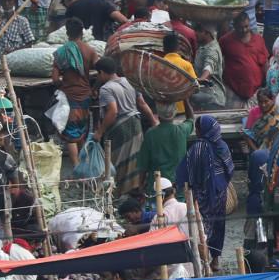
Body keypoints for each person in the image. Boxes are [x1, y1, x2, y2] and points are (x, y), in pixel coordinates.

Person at [175, 115, 234, 270]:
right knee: (218, 225)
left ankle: (203, 261)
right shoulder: (222, 146)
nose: (197, 131)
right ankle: (215, 260)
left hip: (200, 197)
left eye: (198, 127)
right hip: (220, 194)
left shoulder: (198, 147)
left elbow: (186, 169)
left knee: (202, 227)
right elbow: (229, 169)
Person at [95, 56, 154, 198]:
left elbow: (113, 111)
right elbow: (142, 103)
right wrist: (153, 120)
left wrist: (100, 132)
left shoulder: (106, 89)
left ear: (102, 72)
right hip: (136, 123)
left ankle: (119, 193)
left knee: (119, 162)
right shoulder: (130, 81)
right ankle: (136, 192)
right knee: (135, 159)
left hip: (120, 129)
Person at [52, 18, 100, 169]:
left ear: (67, 33)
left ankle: (76, 167)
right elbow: (102, 71)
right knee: (82, 130)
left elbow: (54, 79)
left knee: (71, 134)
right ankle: (82, 163)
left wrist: (62, 85)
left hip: (69, 96)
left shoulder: (61, 52)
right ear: (82, 33)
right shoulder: (90, 51)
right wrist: (94, 88)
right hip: (85, 95)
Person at [220, 12, 269, 104]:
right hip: (233, 91)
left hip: (256, 92)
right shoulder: (225, 41)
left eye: (246, 26)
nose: (244, 30)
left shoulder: (258, 39)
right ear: (234, 26)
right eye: (240, 27)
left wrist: (267, 84)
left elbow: (265, 62)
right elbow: (218, 60)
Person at [138, 102, 192, 185]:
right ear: (174, 114)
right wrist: (185, 100)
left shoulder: (150, 134)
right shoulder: (181, 130)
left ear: (158, 115)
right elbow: (191, 119)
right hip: (177, 188)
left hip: (157, 188)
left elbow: (143, 165)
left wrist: (140, 185)